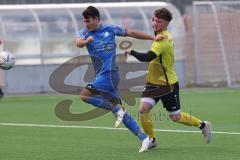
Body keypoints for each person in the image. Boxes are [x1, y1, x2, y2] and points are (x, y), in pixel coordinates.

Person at [75, 6, 162, 152]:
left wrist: (153, 37)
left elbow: (132, 32)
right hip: (103, 75)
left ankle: (116, 108)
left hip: (109, 74)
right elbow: (78, 42)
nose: (86, 24)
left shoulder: (110, 28)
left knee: (84, 95)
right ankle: (144, 138)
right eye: (84, 21)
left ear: (97, 19)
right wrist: (85, 42)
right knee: (120, 112)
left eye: (88, 21)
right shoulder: (84, 33)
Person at [125, 8, 212, 149]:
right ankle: (151, 139)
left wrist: (131, 51)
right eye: (154, 19)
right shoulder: (157, 35)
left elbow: (147, 57)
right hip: (152, 83)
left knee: (175, 117)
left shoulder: (163, 40)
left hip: (167, 85)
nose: (155, 23)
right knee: (143, 110)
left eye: (159, 21)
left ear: (166, 24)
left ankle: (203, 125)